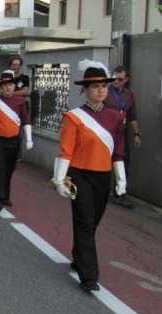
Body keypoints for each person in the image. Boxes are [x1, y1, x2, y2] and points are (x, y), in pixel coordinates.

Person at [53, 60, 126, 292]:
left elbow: (118, 151)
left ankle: (79, 257)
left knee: (92, 222)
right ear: (85, 89)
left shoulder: (116, 117)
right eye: (95, 86)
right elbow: (66, 150)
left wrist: (121, 180)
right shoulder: (74, 117)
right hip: (79, 175)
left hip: (103, 176)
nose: (100, 90)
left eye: (104, 86)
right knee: (85, 221)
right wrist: (59, 179)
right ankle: (89, 276)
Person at [0, 70, 32, 211]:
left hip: (14, 140)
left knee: (9, 168)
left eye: (10, 84)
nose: (8, 87)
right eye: (5, 85)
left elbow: (25, 119)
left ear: (14, 86)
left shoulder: (21, 101)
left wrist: (29, 139)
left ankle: (5, 195)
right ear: (0, 87)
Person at [104, 66, 141, 209]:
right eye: (114, 78)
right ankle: (101, 191)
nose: (116, 81)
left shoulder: (129, 95)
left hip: (121, 133)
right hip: (106, 132)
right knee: (104, 163)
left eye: (120, 79)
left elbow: (132, 115)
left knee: (123, 163)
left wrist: (137, 134)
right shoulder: (106, 91)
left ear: (126, 80)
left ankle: (120, 194)